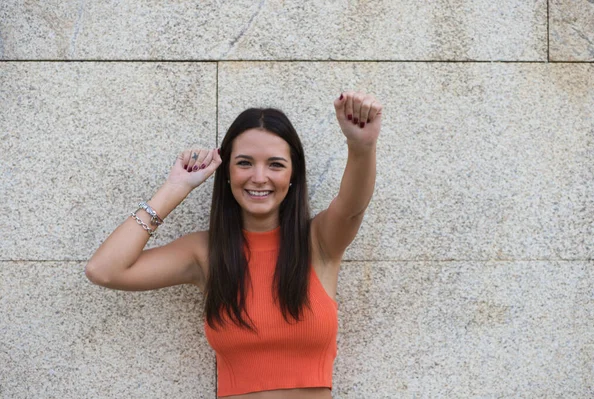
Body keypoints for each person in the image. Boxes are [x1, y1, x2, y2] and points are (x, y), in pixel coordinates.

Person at [85, 91, 382, 399]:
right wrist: (175, 187)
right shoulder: (205, 253)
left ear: (293, 174)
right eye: (244, 163)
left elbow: (352, 206)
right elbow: (104, 270)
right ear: (226, 173)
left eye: (276, 165)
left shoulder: (319, 242)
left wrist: (362, 147)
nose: (259, 177)